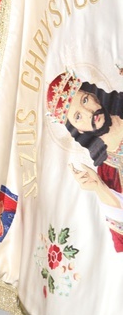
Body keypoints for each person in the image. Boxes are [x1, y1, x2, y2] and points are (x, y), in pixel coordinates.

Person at [46, 70, 123, 251]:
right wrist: (99, 187)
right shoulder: (107, 170)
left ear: (93, 94)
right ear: (77, 129)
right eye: (78, 117)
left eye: (85, 100)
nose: (89, 113)